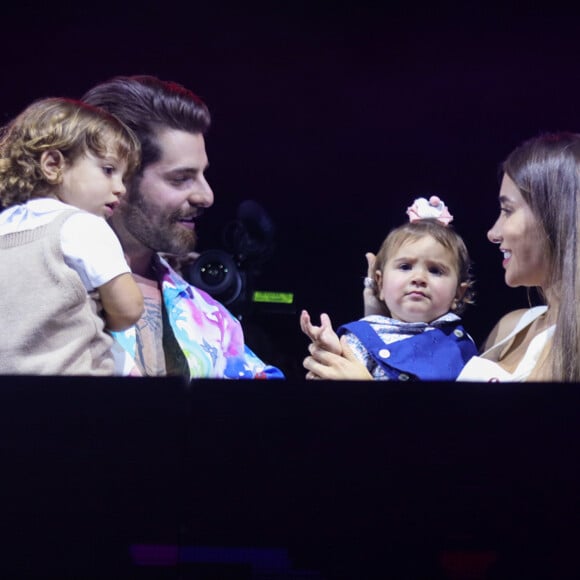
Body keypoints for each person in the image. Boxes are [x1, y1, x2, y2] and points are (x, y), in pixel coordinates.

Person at [82, 75, 284, 379]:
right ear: (115, 177)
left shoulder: (211, 318)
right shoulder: (32, 286)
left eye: (202, 175)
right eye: (180, 178)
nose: (207, 196)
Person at [0, 97, 144, 375]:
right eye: (108, 170)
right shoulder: (83, 226)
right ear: (53, 164)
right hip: (74, 393)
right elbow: (129, 308)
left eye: (123, 178)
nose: (120, 189)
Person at [301, 196, 477, 380]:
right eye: (405, 267)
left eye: (435, 270)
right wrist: (334, 352)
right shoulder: (361, 338)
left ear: (458, 293)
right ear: (380, 283)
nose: (419, 278)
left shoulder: (462, 345)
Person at [456, 132, 580, 382]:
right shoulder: (510, 327)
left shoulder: (571, 343)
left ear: (557, 216)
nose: (493, 233)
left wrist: (371, 390)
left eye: (507, 211)